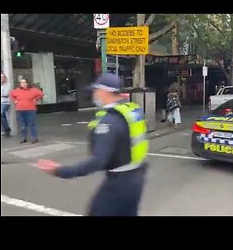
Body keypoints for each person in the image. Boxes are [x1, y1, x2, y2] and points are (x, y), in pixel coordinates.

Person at [36, 73, 149, 216]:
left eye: (96, 90)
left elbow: (98, 161)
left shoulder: (109, 121)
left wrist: (61, 171)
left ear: (105, 92)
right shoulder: (130, 111)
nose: (94, 95)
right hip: (137, 178)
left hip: (119, 184)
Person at [10, 79, 44, 144]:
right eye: (21, 82)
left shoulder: (33, 90)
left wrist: (35, 99)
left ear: (27, 83)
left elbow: (41, 94)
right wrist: (15, 100)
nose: (22, 83)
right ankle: (24, 138)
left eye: (23, 82)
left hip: (30, 109)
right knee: (23, 125)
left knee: (31, 124)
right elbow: (11, 95)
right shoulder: (17, 90)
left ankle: (34, 138)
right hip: (20, 110)